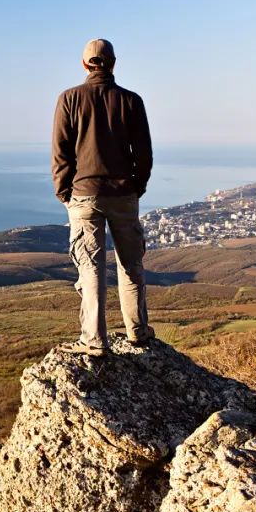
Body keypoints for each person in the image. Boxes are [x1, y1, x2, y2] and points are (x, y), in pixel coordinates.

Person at [51, 38, 154, 356]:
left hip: (84, 195)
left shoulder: (69, 98)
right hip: (123, 193)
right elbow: (144, 153)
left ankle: (94, 340)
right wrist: (138, 185)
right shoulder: (131, 101)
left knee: (91, 267)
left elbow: (61, 152)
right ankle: (137, 331)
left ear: (85, 64)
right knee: (130, 264)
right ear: (113, 63)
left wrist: (64, 191)